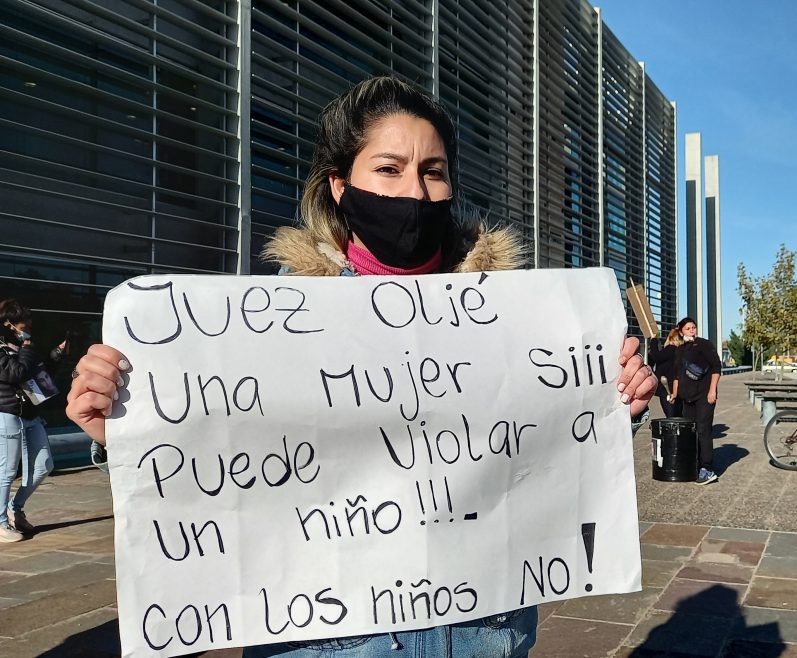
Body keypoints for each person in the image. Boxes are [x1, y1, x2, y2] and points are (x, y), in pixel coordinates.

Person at [65, 75, 656, 657]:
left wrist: (609, 403)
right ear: (340, 186)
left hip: (484, 633)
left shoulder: (522, 322)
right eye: (389, 168)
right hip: (330, 639)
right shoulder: (261, 329)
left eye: (433, 171)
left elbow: (542, 455)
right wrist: (124, 428)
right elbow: (219, 476)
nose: (416, 193)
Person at [1, 299, 66, 542]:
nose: (26, 330)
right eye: (22, 325)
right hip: (7, 413)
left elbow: (38, 377)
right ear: (8, 325)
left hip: (31, 415)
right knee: (7, 471)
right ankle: (1, 522)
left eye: (28, 325)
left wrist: (56, 356)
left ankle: (14, 507)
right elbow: (15, 373)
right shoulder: (3, 349)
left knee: (43, 465)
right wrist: (28, 348)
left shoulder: (23, 349)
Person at [671, 317, 721, 485]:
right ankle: (695, 465)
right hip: (687, 398)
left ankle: (707, 469)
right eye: (688, 328)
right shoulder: (679, 350)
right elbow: (677, 375)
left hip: (704, 396)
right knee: (691, 432)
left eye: (694, 327)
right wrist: (674, 394)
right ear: (681, 332)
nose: (692, 330)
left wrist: (712, 390)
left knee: (703, 429)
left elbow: (716, 367)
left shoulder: (704, 345)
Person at [647, 327, 683, 417]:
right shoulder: (681, 351)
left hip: (667, 387)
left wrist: (653, 340)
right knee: (678, 414)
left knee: (670, 415)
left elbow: (656, 357)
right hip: (677, 387)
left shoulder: (671, 349)